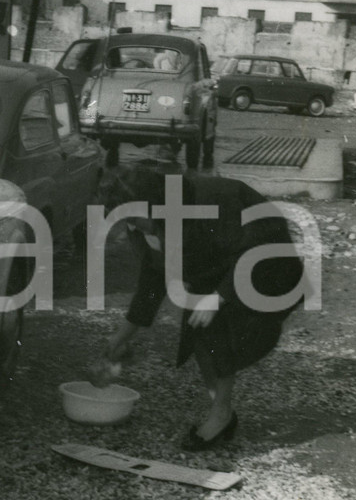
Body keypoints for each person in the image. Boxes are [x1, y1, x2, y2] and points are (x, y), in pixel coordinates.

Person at [90, 165, 305, 451]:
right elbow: (154, 275)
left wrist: (219, 297)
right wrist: (122, 336)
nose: (131, 227)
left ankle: (221, 413)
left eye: (133, 218)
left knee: (217, 324)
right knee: (197, 326)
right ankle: (221, 409)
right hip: (221, 265)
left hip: (267, 264)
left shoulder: (212, 203)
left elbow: (256, 248)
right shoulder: (146, 222)